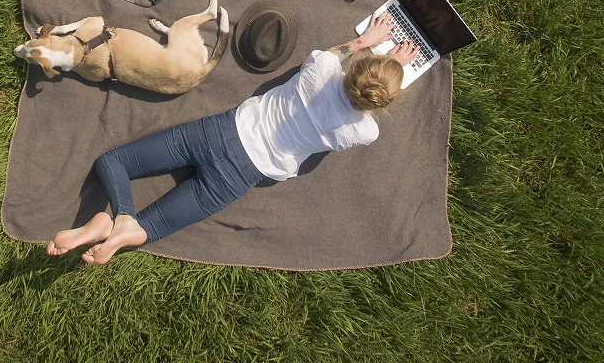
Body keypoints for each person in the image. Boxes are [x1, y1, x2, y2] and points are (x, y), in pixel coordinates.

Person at [47, 13, 420, 264]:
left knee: (114, 162)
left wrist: (368, 42)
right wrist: (394, 72)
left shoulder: (321, 67)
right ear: (382, 101)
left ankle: (118, 214)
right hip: (242, 177)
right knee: (154, 228)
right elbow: (362, 105)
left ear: (356, 67)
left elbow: (340, 55)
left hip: (220, 134)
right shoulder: (364, 131)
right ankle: (122, 227)